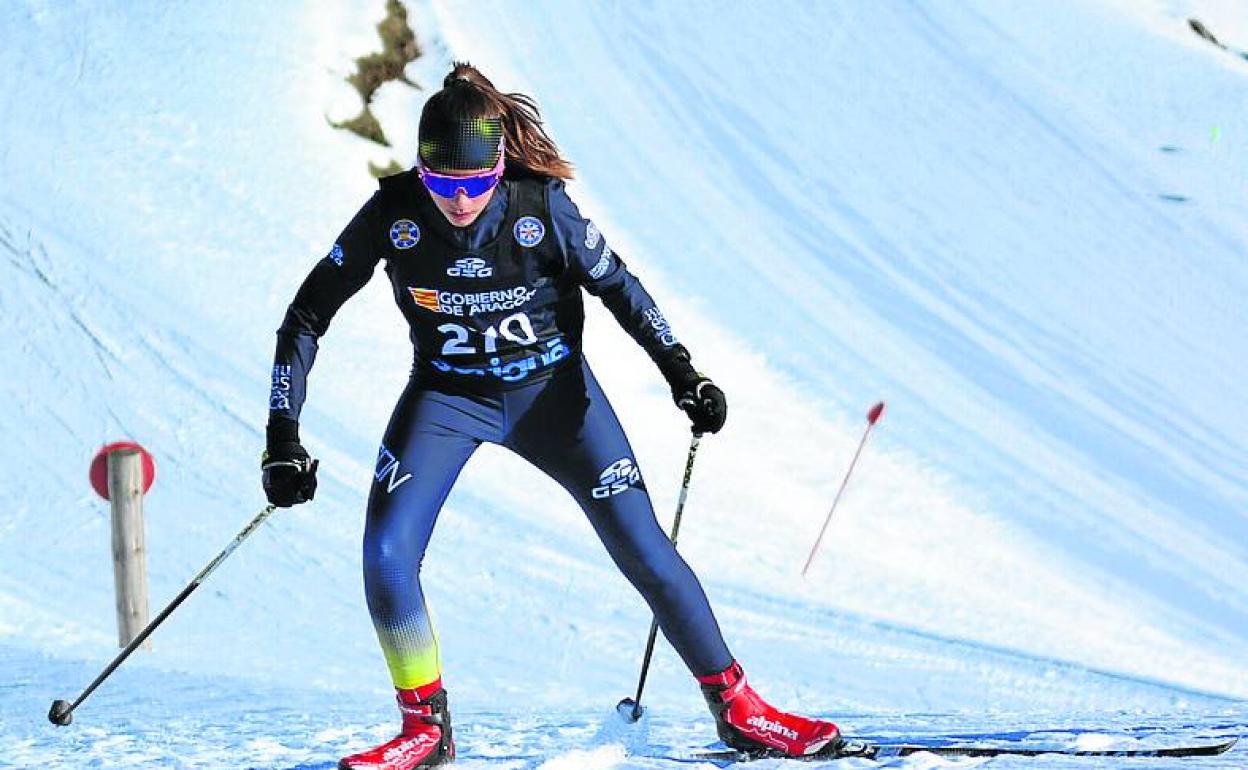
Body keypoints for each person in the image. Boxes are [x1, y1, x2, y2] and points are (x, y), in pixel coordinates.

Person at [261, 63, 842, 770]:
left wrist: (683, 373)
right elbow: (305, 316)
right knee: (385, 556)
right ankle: (426, 729)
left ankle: (740, 709)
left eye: (477, 184)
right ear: (422, 171)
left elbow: (620, 288)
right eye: (444, 184)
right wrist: (281, 437)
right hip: (447, 400)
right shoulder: (394, 213)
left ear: (501, 166)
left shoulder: (542, 211)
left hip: (557, 400)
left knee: (644, 548)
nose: (461, 201)